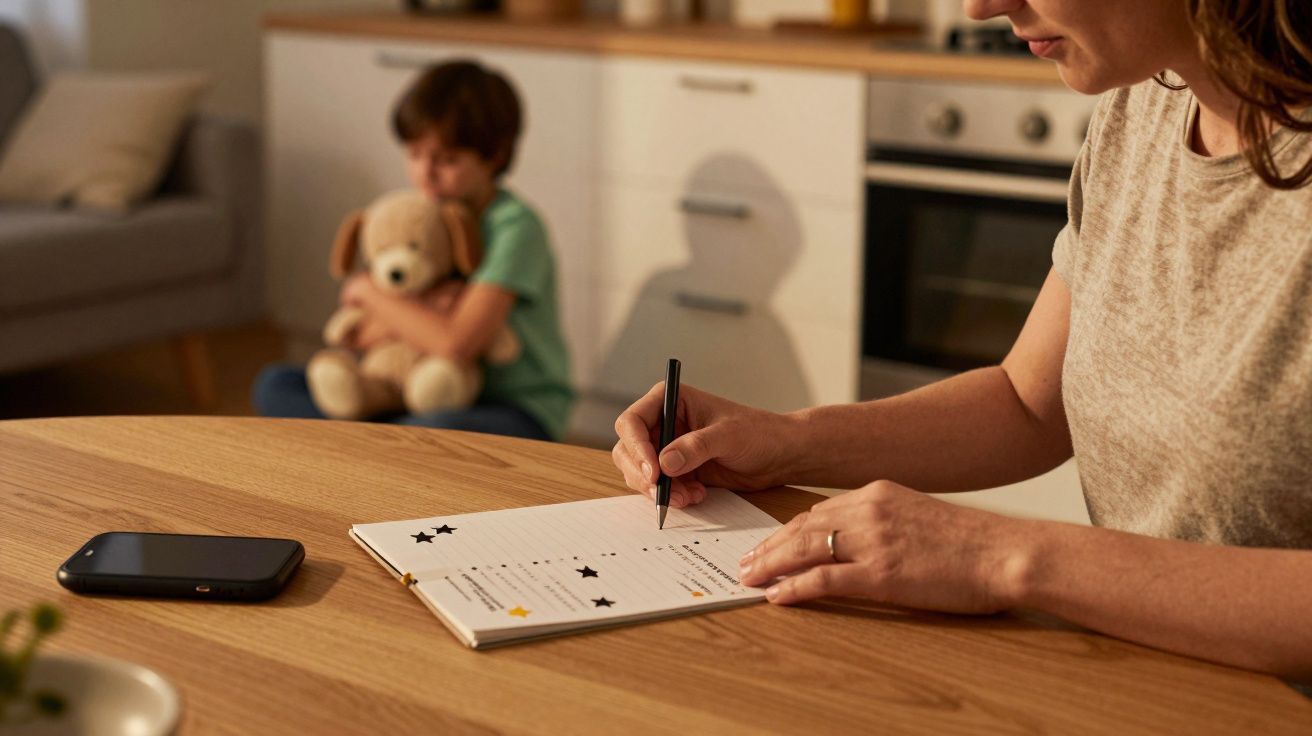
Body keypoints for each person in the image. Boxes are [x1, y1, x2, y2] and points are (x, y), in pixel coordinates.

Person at [612, 0, 1312, 682]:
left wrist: (1000, 555)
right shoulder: (1145, 111)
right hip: (1135, 678)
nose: (980, 8)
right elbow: (1027, 403)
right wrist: (784, 440)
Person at [253, 61, 574, 442]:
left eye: (447, 160)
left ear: (495, 156)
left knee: (431, 429)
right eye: (415, 154)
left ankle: (372, 446)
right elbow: (360, 338)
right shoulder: (420, 220)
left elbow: (455, 343)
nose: (426, 172)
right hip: (408, 390)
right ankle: (385, 447)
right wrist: (427, 313)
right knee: (275, 384)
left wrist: (368, 291)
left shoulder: (515, 227)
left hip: (508, 407)